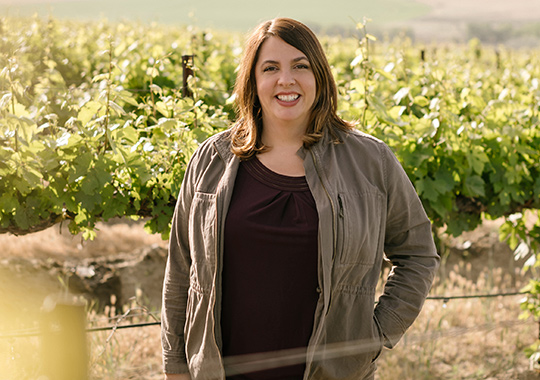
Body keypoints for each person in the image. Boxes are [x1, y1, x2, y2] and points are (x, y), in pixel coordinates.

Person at [161, 17, 439, 380]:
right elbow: (180, 271)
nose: (286, 80)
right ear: (253, 81)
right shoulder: (211, 160)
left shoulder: (371, 161)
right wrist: (175, 366)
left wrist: (375, 335)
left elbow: (417, 253)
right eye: (270, 68)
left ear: (319, 77)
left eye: (300, 66)